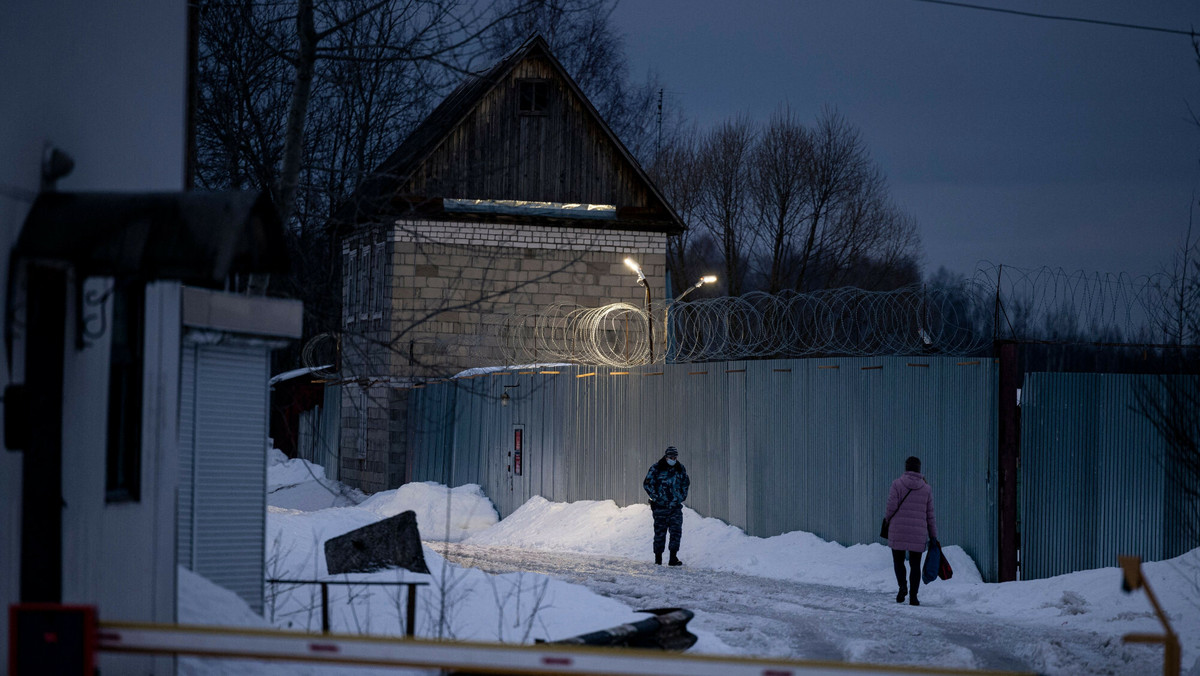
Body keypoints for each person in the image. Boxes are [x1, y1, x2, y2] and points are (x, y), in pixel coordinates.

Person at [883, 455, 937, 606]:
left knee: (898, 561)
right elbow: (930, 515)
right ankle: (913, 596)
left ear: (906, 468)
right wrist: (933, 535)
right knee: (915, 565)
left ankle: (902, 587)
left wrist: (887, 520)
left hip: (898, 529)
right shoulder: (926, 489)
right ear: (919, 469)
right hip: (918, 533)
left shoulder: (897, 484)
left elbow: (890, 507)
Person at [643, 445, 690, 566]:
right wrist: (657, 498)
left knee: (676, 532)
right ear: (666, 456)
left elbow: (685, 483)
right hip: (660, 508)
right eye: (671, 457)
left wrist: (680, 497)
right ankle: (658, 559)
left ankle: (673, 558)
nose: (673, 459)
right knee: (660, 533)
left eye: (675, 457)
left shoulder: (680, 468)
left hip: (675, 507)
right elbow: (647, 484)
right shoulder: (657, 468)